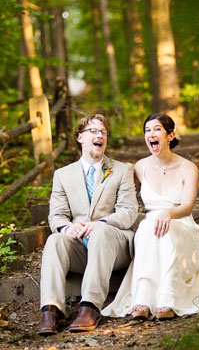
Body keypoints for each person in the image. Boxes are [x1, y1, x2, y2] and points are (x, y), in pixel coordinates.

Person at [37, 114, 138, 335]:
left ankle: (90, 307)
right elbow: (57, 216)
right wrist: (67, 228)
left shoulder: (122, 171)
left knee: (100, 232)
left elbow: (129, 212)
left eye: (103, 132)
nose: (100, 135)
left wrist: (101, 222)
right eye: (93, 131)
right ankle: (51, 310)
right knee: (55, 239)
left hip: (114, 245)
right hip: (81, 247)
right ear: (80, 137)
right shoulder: (62, 175)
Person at [102, 113, 199, 320]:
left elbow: (186, 206)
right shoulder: (139, 167)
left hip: (180, 223)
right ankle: (143, 300)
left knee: (166, 229)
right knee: (147, 228)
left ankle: (168, 299)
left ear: (170, 135)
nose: (151, 134)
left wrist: (168, 213)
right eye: (147, 130)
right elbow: (122, 197)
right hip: (150, 226)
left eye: (157, 129)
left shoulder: (188, 168)